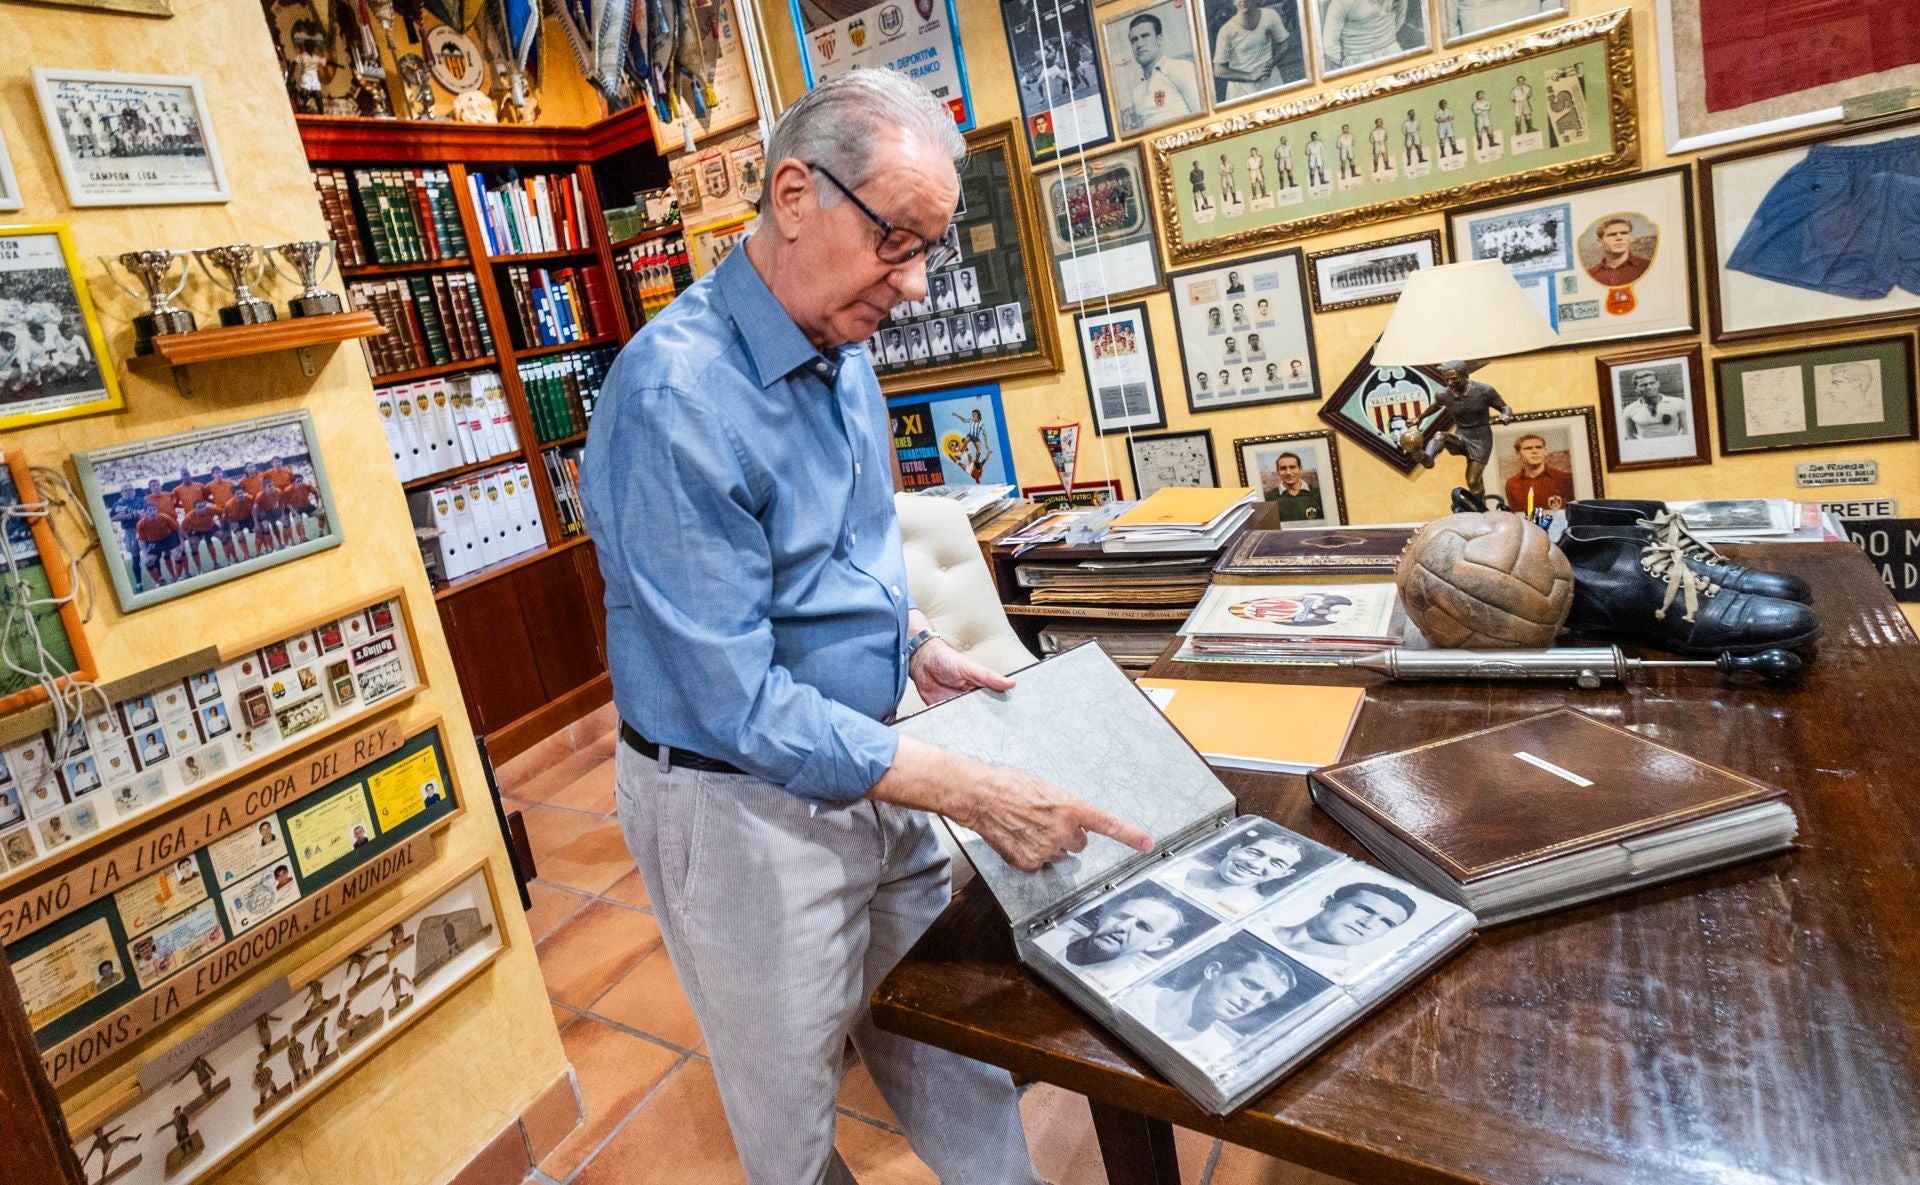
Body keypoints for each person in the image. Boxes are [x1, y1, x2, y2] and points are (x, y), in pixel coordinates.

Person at [580, 69, 1149, 1185]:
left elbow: (844, 558)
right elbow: (733, 703)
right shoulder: (672, 401)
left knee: (946, 1043)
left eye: (932, 245)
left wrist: (911, 647)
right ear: (796, 194)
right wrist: (969, 790)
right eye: (899, 239)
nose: (919, 280)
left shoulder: (840, 348)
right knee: (790, 1112)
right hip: (734, 804)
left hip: (871, 755)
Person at [1133, 937, 1295, 1057]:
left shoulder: (1219, 1052)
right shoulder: (1134, 992)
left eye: (1266, 998)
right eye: (1250, 985)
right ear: (1212, 971)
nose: (1252, 1001)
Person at [1410, 361, 1514, 497]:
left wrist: (1506, 415)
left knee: (1472, 481)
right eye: (1446, 379)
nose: (1450, 383)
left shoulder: (1484, 391)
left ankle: (1480, 507)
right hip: (1462, 434)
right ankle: (1427, 458)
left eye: (1454, 379)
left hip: (1481, 438)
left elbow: (1504, 407)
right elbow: (1435, 406)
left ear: (1465, 375)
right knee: (1440, 435)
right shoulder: (1444, 394)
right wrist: (1419, 418)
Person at [1269, 881, 1416, 964]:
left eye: (1386, 922)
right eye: (1365, 909)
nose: (1368, 924)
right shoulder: (1256, 925)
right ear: (1327, 901)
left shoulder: (1347, 977)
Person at [1119, 12, 1203, 133]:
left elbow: (1203, 117)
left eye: (1145, 36)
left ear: (1159, 39)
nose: (1139, 44)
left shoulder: (1182, 68)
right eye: (1134, 40)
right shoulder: (1137, 90)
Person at [1061, 890, 1186, 969]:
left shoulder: (1134, 999)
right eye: (1121, 916)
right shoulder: (1048, 939)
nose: (1121, 927)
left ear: (1158, 944)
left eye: (1143, 926)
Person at [1181, 831, 1306, 900]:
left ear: (1284, 874)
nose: (1254, 864)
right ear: (1234, 849)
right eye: (1254, 853)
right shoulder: (1175, 869)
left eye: (1276, 863)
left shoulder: (1251, 915)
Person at [1211, 0, 1291, 100]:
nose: (1242, 1)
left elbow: (1284, 42)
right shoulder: (1226, 31)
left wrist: (1271, 63)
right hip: (1241, 91)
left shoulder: (1270, 16)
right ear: (1232, 2)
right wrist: (1250, 76)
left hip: (1271, 82)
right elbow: (1218, 70)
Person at [1321, 0, 1410, 71]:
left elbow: (1400, 18)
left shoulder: (1340, 3)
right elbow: (1329, 44)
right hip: (1359, 60)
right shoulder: (1341, 3)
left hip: (1391, 53)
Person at [1504, 432, 1576, 511]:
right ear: (1518, 454)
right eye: (1528, 448)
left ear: (1545, 451)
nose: (1534, 451)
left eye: (1538, 447)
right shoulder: (1512, 484)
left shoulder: (1565, 479)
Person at [1586, 216, 1651, 287]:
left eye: (1624, 233)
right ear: (1600, 242)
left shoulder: (1647, 267)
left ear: (1631, 238)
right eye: (1612, 234)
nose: (1619, 238)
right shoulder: (1590, 275)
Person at [1621, 370, 1686, 439]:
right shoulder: (1629, 410)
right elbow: (1629, 434)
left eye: (1652, 383)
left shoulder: (1678, 403)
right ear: (1636, 389)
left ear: (1658, 383)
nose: (1649, 387)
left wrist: (1677, 444)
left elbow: (1686, 429)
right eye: (1643, 385)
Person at [1266, 451, 1324, 520]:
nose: (1288, 472)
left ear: (1300, 469)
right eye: (1283, 468)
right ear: (1278, 471)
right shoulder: (1268, 498)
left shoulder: (1319, 494)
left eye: (1292, 467)